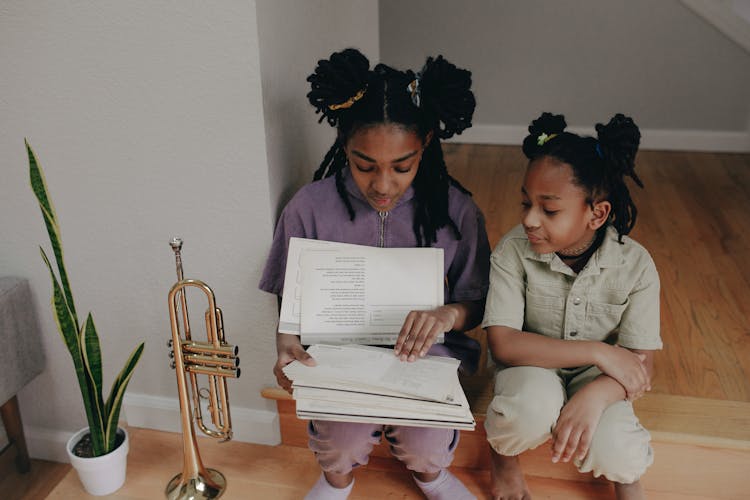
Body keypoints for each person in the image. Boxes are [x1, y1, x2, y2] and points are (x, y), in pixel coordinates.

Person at [259, 48, 490, 500]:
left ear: (425, 145)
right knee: (340, 439)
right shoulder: (308, 208)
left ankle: (432, 477)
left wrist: (446, 315)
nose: (383, 185)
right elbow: (291, 302)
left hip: (426, 355)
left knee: (426, 443)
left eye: (402, 166)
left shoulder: (455, 212)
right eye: (364, 165)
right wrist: (287, 344)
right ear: (343, 144)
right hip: (338, 354)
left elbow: (476, 301)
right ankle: (335, 481)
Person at [482, 112, 661, 500]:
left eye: (548, 210)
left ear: (597, 214)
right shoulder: (513, 252)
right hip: (530, 363)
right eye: (526, 203)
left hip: (598, 377)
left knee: (618, 448)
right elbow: (504, 345)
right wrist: (598, 350)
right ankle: (501, 455)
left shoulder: (637, 265)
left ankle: (627, 481)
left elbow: (639, 364)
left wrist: (595, 395)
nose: (529, 219)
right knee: (527, 411)